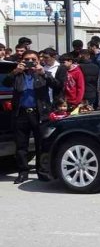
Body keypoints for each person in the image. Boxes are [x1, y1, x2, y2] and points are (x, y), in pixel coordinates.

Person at [4, 50, 60, 184]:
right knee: (21, 146)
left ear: (38, 60)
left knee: (41, 145)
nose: (30, 62)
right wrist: (15, 72)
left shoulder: (42, 73)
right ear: (22, 60)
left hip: (39, 113)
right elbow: (6, 82)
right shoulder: (18, 74)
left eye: (33, 59)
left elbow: (57, 85)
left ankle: (42, 172)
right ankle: (23, 172)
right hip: (21, 113)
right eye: (27, 59)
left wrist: (44, 74)